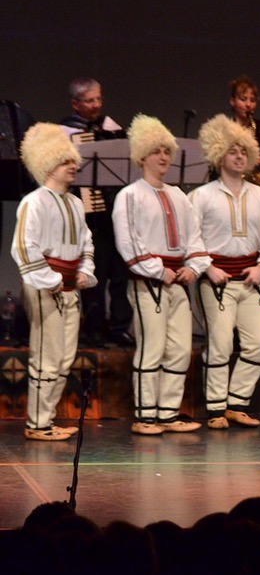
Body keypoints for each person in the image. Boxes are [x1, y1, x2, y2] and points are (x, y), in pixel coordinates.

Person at [112, 115, 209, 435]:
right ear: (142, 156)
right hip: (148, 283)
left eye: (167, 151)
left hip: (177, 281)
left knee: (179, 348)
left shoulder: (179, 196)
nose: (164, 157)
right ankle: (145, 415)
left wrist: (193, 267)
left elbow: (194, 238)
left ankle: (167, 412)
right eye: (157, 151)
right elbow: (129, 242)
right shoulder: (130, 195)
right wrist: (157, 269)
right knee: (151, 346)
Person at [190, 115, 260, 429]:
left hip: (250, 280)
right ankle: (216, 407)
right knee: (221, 344)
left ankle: (237, 402)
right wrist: (207, 267)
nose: (240, 156)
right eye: (233, 151)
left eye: (244, 151)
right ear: (219, 156)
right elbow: (191, 238)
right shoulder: (201, 196)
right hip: (218, 280)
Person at [12, 123, 96, 440]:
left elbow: (86, 243)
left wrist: (85, 271)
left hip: (70, 286)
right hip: (45, 286)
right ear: (48, 165)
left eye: (73, 160)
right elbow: (24, 247)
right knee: (47, 356)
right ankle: (38, 423)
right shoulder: (34, 202)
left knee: (64, 358)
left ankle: (46, 420)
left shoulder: (75, 203)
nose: (73, 166)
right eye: (65, 161)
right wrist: (49, 279)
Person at [59, 77, 133, 348]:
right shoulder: (66, 132)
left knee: (120, 273)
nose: (96, 105)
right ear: (75, 104)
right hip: (89, 214)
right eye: (90, 101)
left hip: (116, 211)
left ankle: (119, 326)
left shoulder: (112, 128)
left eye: (99, 99)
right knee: (96, 272)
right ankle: (94, 328)